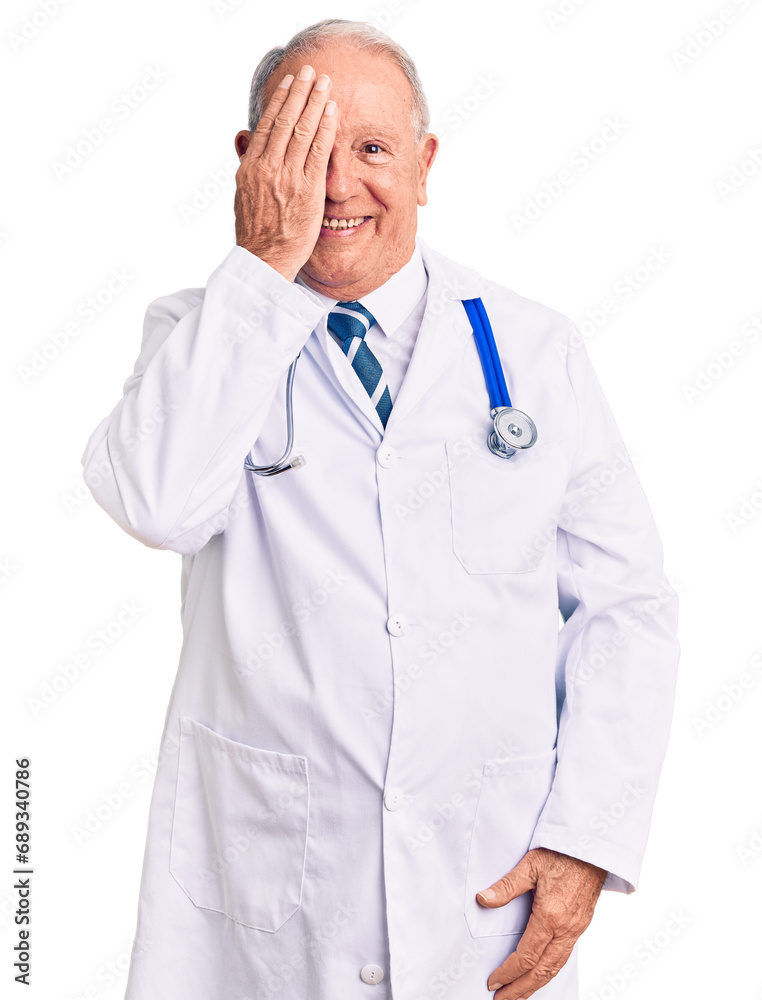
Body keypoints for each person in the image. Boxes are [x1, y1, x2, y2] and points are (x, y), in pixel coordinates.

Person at [81, 17, 680, 1000]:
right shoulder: (201, 337)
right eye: (303, 146)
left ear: (425, 162)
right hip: (270, 908)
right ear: (251, 162)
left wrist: (585, 839)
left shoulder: (534, 352)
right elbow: (154, 501)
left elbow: (629, 608)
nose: (337, 184)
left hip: (483, 900)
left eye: (370, 148)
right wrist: (260, 272)